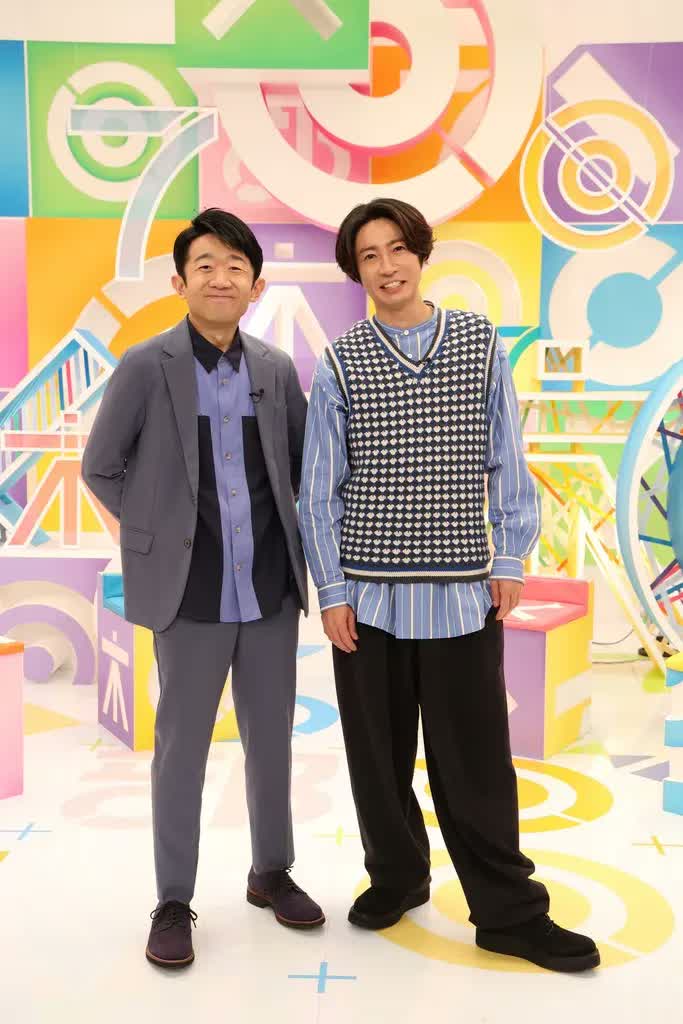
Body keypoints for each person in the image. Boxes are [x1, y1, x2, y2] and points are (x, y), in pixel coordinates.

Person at [298, 197, 599, 973]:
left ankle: (507, 912)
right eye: (369, 255)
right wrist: (330, 590)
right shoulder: (340, 362)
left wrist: (509, 556)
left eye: (397, 248)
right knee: (377, 757)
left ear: (420, 253)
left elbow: (506, 455)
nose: (387, 266)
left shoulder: (477, 342)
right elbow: (318, 488)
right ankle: (396, 877)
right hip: (366, 598)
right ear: (355, 270)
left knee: (475, 764)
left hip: (462, 594)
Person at [82, 208, 324, 970]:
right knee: (180, 751)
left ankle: (270, 871)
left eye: (236, 266)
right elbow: (101, 467)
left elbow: (302, 468)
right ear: (179, 281)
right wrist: (155, 530)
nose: (221, 278)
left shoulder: (275, 370)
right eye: (206, 265)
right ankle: (173, 901)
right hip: (187, 595)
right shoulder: (144, 365)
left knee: (270, 742)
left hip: (269, 591)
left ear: (256, 286)